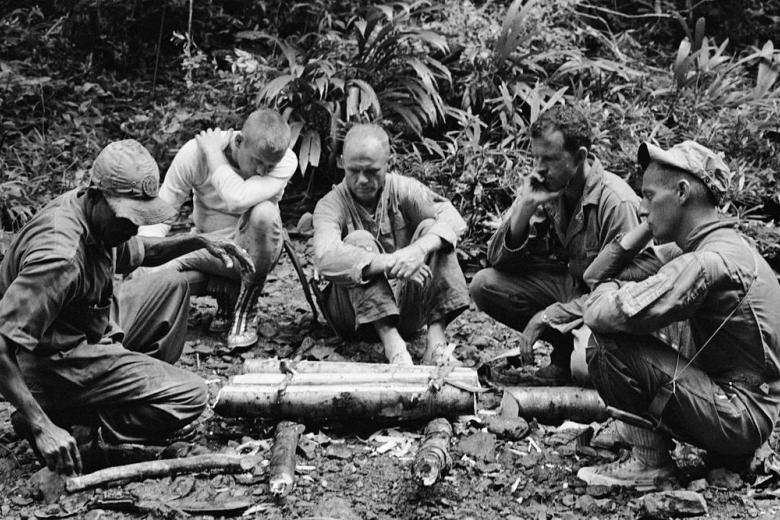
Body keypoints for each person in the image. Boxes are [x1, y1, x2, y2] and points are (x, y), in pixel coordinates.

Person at [0, 139, 254, 475]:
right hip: (54, 360)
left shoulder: (99, 219)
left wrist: (196, 241)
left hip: (88, 328)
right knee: (191, 395)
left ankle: (111, 397)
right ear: (94, 195)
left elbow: (141, 250)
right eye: (127, 219)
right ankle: (81, 427)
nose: (132, 228)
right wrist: (40, 425)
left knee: (171, 285)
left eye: (139, 219)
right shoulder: (59, 258)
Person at [577, 141, 780, 488]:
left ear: (682, 192)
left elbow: (603, 314)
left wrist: (611, 293)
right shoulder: (711, 244)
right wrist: (647, 226)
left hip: (739, 416)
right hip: (740, 405)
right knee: (635, 320)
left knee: (607, 344)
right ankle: (653, 440)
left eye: (649, 196)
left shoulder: (706, 261)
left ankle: (649, 463)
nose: (641, 207)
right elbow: (595, 275)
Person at [469, 104, 642, 384]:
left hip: (609, 307)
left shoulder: (616, 203)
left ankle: (590, 358)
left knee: (585, 370)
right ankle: (565, 350)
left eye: (548, 159)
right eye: (535, 157)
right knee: (484, 285)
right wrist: (523, 211)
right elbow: (498, 262)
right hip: (573, 289)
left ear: (580, 157)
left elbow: (625, 295)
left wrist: (548, 316)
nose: (538, 169)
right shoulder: (548, 187)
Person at [312, 124, 470, 366]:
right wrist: (389, 262)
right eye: (354, 170)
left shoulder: (404, 189)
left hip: (406, 309)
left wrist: (418, 250)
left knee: (434, 232)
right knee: (358, 241)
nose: (362, 180)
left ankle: (436, 345)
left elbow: (453, 220)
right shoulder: (330, 205)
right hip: (352, 319)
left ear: (388, 162)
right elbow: (326, 257)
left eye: (372, 171)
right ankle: (393, 347)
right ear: (342, 162)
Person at [139, 109, 297, 350]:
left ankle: (246, 309)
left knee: (264, 212)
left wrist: (214, 153)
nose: (263, 171)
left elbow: (237, 199)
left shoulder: (286, 160)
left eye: (269, 165)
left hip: (252, 251)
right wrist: (142, 260)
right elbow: (161, 213)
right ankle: (225, 294)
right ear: (239, 141)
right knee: (148, 274)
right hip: (208, 248)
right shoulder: (194, 153)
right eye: (257, 161)